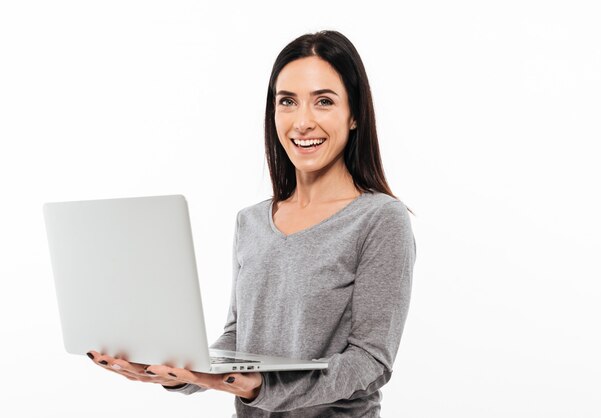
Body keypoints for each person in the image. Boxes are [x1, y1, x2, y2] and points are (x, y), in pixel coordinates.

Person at [88, 29, 416, 417]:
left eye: (324, 101)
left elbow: (371, 361)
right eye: (287, 102)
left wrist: (263, 388)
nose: (302, 122)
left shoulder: (380, 219)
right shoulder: (252, 221)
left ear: (355, 114)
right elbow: (238, 338)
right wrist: (180, 371)